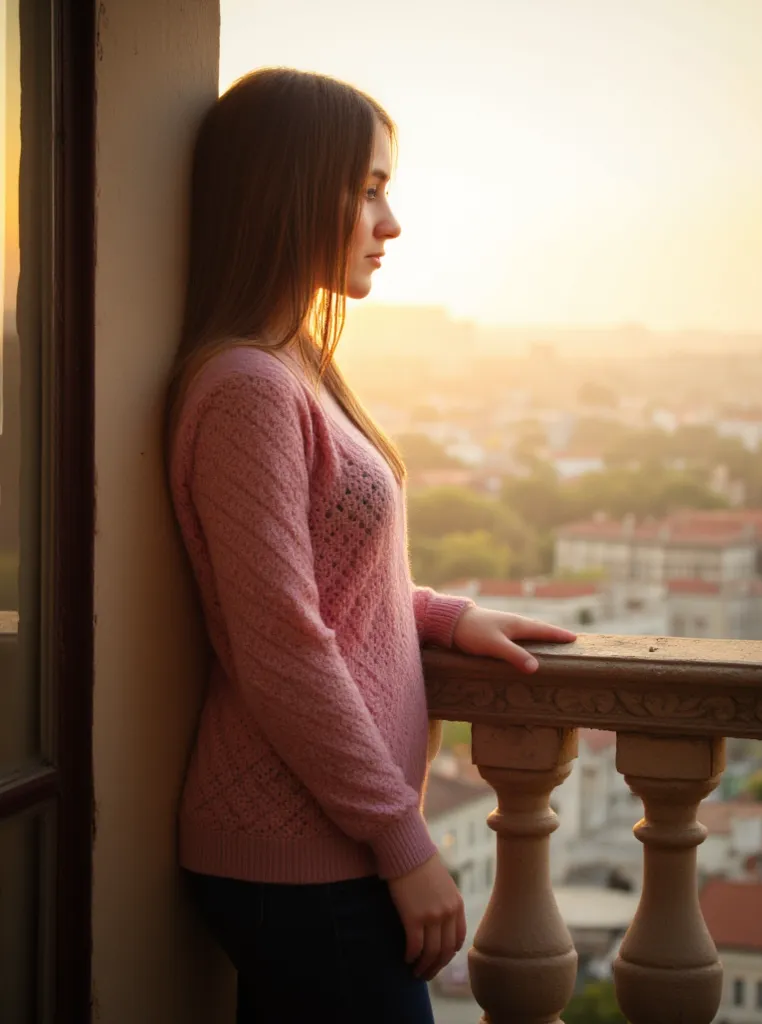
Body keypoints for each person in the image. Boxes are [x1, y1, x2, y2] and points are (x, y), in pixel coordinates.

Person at [166, 67, 577, 1024]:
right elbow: (280, 644)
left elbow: (327, 576)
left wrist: (445, 614)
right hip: (304, 862)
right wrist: (407, 845)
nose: (389, 223)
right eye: (367, 190)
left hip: (328, 844)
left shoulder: (294, 363)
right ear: (288, 189)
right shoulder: (248, 387)